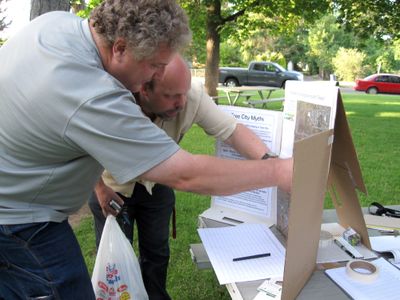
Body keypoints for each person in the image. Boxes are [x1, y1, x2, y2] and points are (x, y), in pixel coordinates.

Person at [0, 1, 292, 299]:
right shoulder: (93, 92)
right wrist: (280, 170)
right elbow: (185, 174)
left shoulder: (55, 25)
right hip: (21, 224)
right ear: (120, 48)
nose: (154, 76)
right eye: (154, 65)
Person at [89, 54, 273, 299]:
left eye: (184, 93)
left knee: (157, 254)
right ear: (144, 89)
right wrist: (99, 188)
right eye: (171, 96)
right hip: (112, 187)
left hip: (159, 184)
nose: (181, 103)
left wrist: (271, 163)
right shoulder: (112, 98)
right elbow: (82, 146)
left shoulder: (190, 97)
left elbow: (232, 131)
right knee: (116, 260)